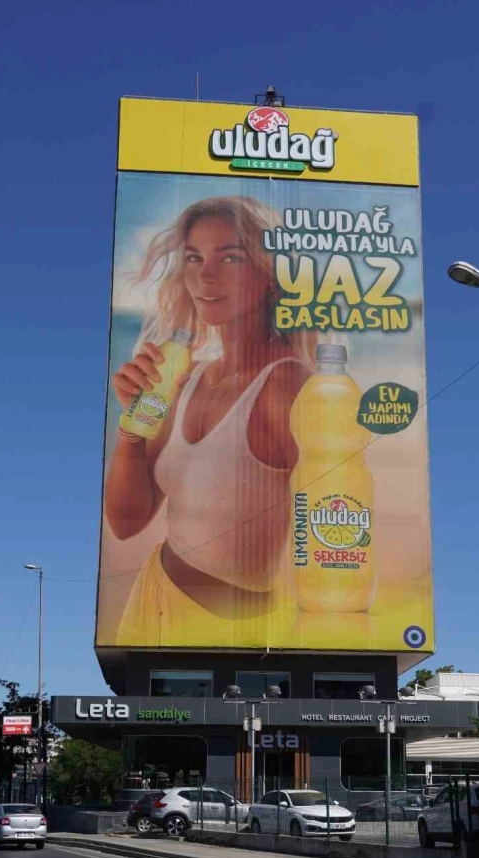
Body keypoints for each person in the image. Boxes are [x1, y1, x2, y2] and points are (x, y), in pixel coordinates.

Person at [105, 196, 316, 644]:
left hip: (233, 634)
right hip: (153, 599)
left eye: (231, 257)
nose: (206, 276)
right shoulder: (186, 377)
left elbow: (326, 528)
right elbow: (127, 522)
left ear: (270, 273)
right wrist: (132, 427)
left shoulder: (288, 385)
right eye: (194, 258)